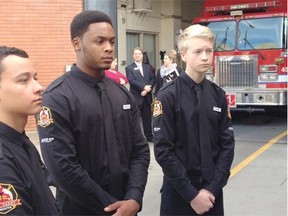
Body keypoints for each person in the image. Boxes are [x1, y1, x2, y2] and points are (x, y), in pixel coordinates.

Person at [36, 11, 150, 216]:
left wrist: (134, 197)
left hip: (127, 206)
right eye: (100, 41)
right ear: (77, 43)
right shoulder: (57, 97)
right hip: (81, 209)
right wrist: (112, 207)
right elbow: (63, 168)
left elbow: (140, 150)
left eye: (112, 42)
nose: (109, 48)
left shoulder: (121, 94)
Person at [152, 24, 235, 215]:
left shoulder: (218, 95)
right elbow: (164, 150)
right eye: (197, 51)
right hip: (179, 194)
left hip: (212, 195)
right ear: (183, 54)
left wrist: (212, 188)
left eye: (209, 51)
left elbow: (227, 145)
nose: (205, 57)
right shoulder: (167, 96)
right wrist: (192, 195)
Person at [0, 46, 58, 215]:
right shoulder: (3, 161)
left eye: (35, 78)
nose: (39, 87)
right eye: (23, 80)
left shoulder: (20, 140)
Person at [125, 47, 156, 142]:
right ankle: (136, 138)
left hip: (146, 97)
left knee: (147, 118)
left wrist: (147, 89)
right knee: (135, 119)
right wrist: (143, 87)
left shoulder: (148, 67)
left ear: (142, 55)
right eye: (135, 54)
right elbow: (131, 81)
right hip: (136, 97)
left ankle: (149, 137)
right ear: (133, 56)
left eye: (139, 53)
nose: (137, 55)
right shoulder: (129, 68)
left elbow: (153, 79)